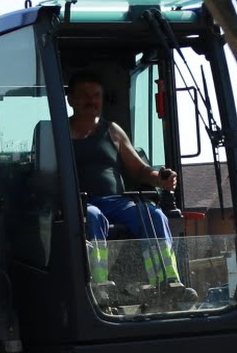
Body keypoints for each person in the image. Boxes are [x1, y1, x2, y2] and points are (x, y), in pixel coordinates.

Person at [66, 75, 195, 300]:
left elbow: (140, 169)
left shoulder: (112, 131)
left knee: (153, 214)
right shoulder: (58, 133)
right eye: (85, 95)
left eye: (96, 95)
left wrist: (159, 179)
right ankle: (97, 288)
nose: (91, 100)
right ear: (70, 99)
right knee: (91, 216)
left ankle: (167, 283)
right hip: (78, 203)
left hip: (116, 202)